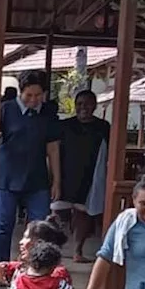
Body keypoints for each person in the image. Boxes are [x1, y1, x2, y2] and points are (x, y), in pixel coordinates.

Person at [0, 70, 63, 262]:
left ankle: (36, 266)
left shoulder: (48, 113)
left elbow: (53, 149)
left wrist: (57, 180)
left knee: (40, 227)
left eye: (38, 95)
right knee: (2, 225)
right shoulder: (5, 109)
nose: (33, 99)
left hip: (37, 179)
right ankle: (1, 267)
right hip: (6, 178)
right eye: (29, 95)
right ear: (20, 92)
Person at [52, 89, 110, 262]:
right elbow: (53, 151)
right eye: (79, 104)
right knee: (57, 214)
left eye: (88, 104)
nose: (83, 108)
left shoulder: (103, 127)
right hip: (64, 175)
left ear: (95, 106)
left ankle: (77, 251)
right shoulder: (64, 125)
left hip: (90, 176)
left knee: (83, 215)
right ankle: (54, 250)